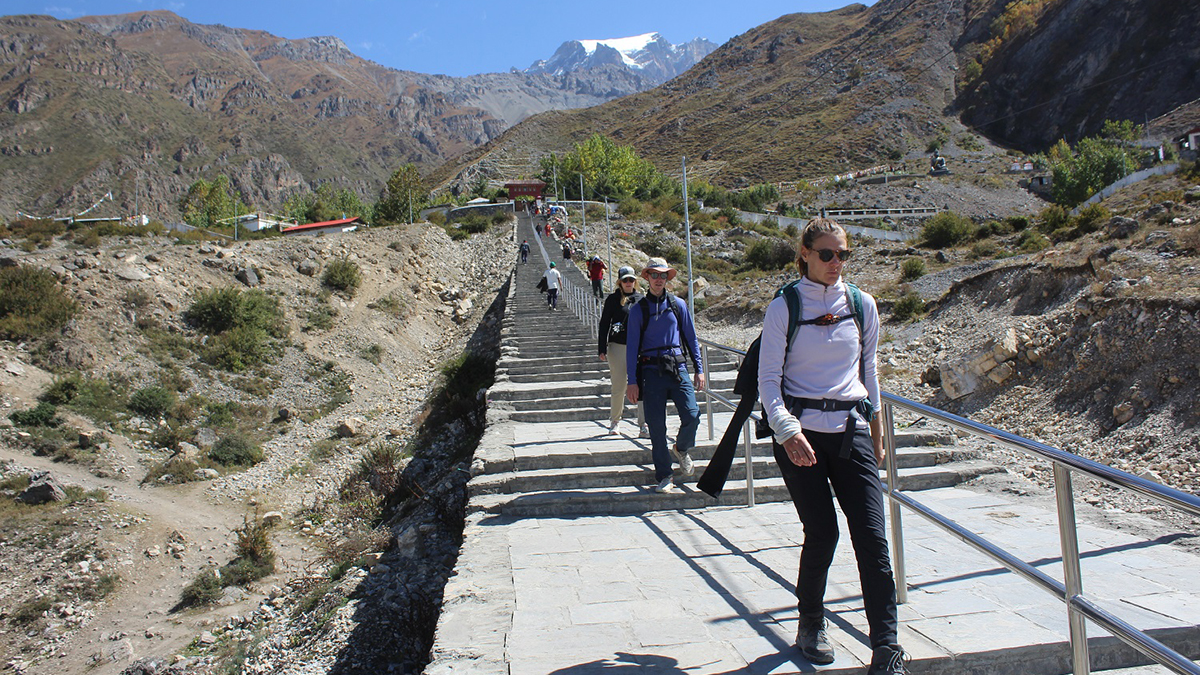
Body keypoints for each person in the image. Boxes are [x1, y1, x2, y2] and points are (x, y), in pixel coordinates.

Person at [757, 218, 907, 674]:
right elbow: (769, 381)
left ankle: (887, 647)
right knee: (823, 533)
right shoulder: (784, 306)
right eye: (827, 254)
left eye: (843, 254)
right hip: (799, 434)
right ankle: (810, 623)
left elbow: (869, 370)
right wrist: (787, 431)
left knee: (872, 537)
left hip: (851, 431)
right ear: (804, 254)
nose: (836, 262)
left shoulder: (862, 305)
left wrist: (877, 430)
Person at [625, 257, 705, 494]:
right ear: (647, 277)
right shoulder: (638, 310)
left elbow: (691, 338)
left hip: (677, 367)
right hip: (651, 370)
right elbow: (632, 348)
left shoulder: (678, 305)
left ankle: (681, 448)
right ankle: (664, 475)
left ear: (667, 278)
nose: (659, 280)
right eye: (654, 275)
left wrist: (699, 369)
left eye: (663, 275)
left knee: (692, 415)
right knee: (656, 426)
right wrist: (632, 381)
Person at [598, 267, 642, 434]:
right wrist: (602, 347)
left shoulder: (641, 299)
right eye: (625, 280)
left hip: (638, 347)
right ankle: (615, 420)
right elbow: (604, 323)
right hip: (617, 346)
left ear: (635, 281)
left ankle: (644, 423)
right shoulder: (612, 299)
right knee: (619, 385)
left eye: (631, 280)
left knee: (642, 384)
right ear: (620, 282)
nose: (628, 283)